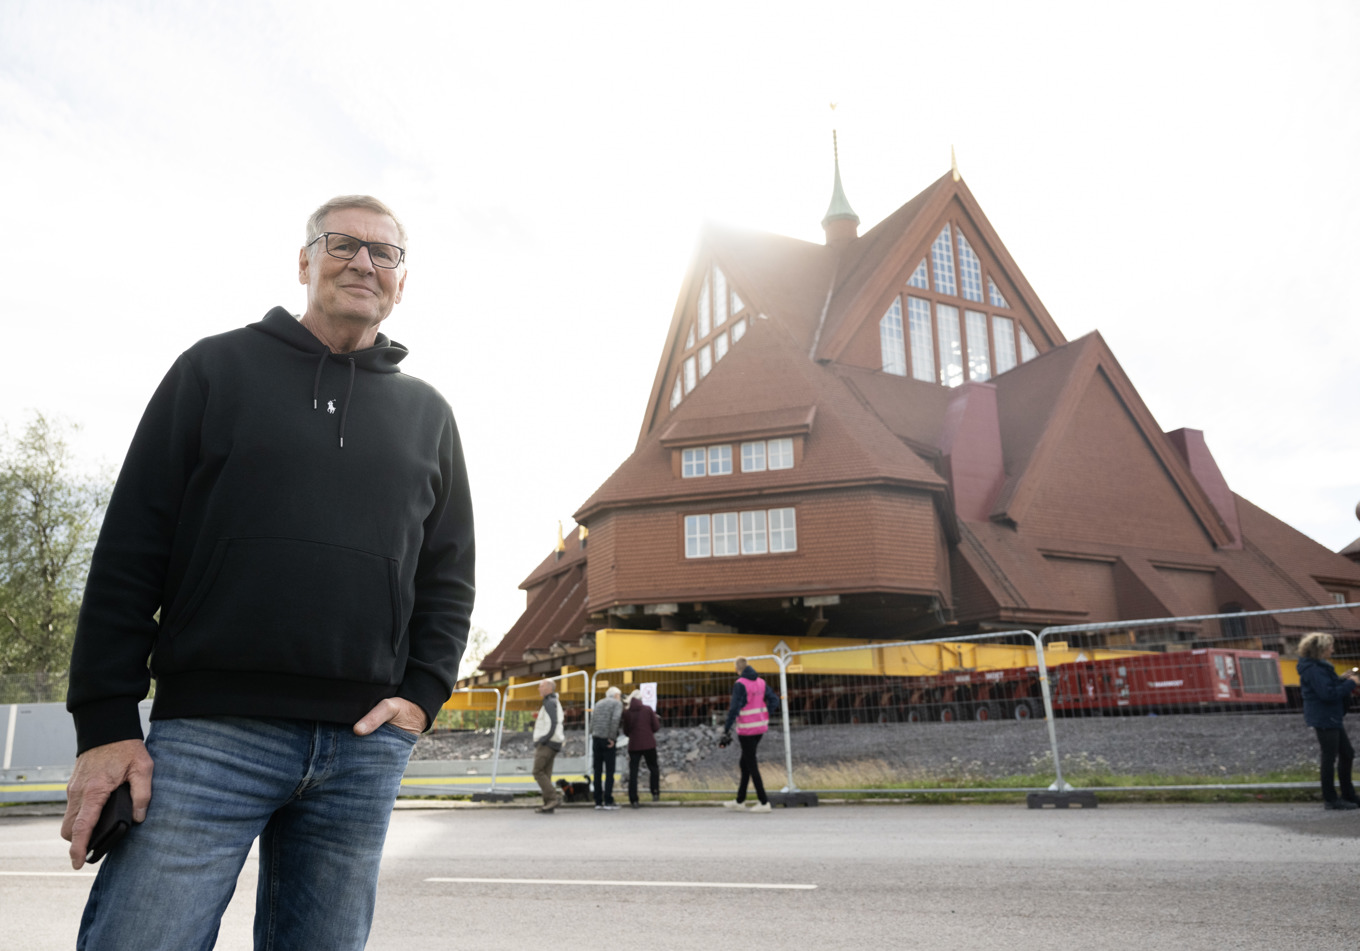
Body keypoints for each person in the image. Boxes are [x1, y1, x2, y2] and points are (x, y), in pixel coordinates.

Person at [60, 196, 476, 949]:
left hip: (361, 748)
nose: (364, 263)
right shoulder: (213, 370)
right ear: (304, 261)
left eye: (385, 253)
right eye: (343, 244)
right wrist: (106, 724)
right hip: (210, 736)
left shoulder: (430, 414)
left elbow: (449, 576)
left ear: (402, 281)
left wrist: (421, 696)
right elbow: (130, 549)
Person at [1296, 632, 1360, 810]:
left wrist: (1341, 680)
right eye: (1330, 647)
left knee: (1346, 754)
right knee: (1330, 757)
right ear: (1321, 649)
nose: (1333, 650)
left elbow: (1326, 687)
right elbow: (1327, 694)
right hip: (1325, 717)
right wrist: (1351, 683)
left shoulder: (1318, 667)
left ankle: (1348, 794)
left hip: (1330, 716)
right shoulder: (1315, 669)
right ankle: (1331, 798)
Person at [720, 658, 780, 813]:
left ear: (736, 669)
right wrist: (765, 714)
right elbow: (774, 700)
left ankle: (764, 802)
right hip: (760, 727)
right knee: (745, 763)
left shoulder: (740, 684)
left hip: (746, 729)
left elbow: (734, 708)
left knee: (751, 764)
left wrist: (726, 729)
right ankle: (740, 800)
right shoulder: (761, 682)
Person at [622, 689, 662, 807]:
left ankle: (634, 799)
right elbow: (656, 727)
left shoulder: (627, 712)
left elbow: (626, 731)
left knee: (633, 772)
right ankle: (655, 792)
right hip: (649, 744)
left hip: (634, 745)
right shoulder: (648, 710)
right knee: (653, 768)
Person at [532, 678, 566, 813]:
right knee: (546, 773)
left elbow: (553, 723)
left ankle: (552, 798)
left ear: (549, 688)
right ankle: (548, 804)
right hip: (553, 742)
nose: (539, 689)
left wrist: (543, 739)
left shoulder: (550, 703)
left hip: (548, 743)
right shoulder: (553, 702)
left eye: (541, 686)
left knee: (537, 771)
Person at [591, 686, 624, 810]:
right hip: (607, 739)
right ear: (616, 695)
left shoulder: (598, 703)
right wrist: (612, 738)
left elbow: (593, 720)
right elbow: (615, 720)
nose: (620, 698)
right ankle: (608, 800)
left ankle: (598, 801)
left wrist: (593, 733)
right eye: (619, 695)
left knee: (597, 770)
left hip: (596, 738)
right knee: (610, 771)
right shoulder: (617, 704)